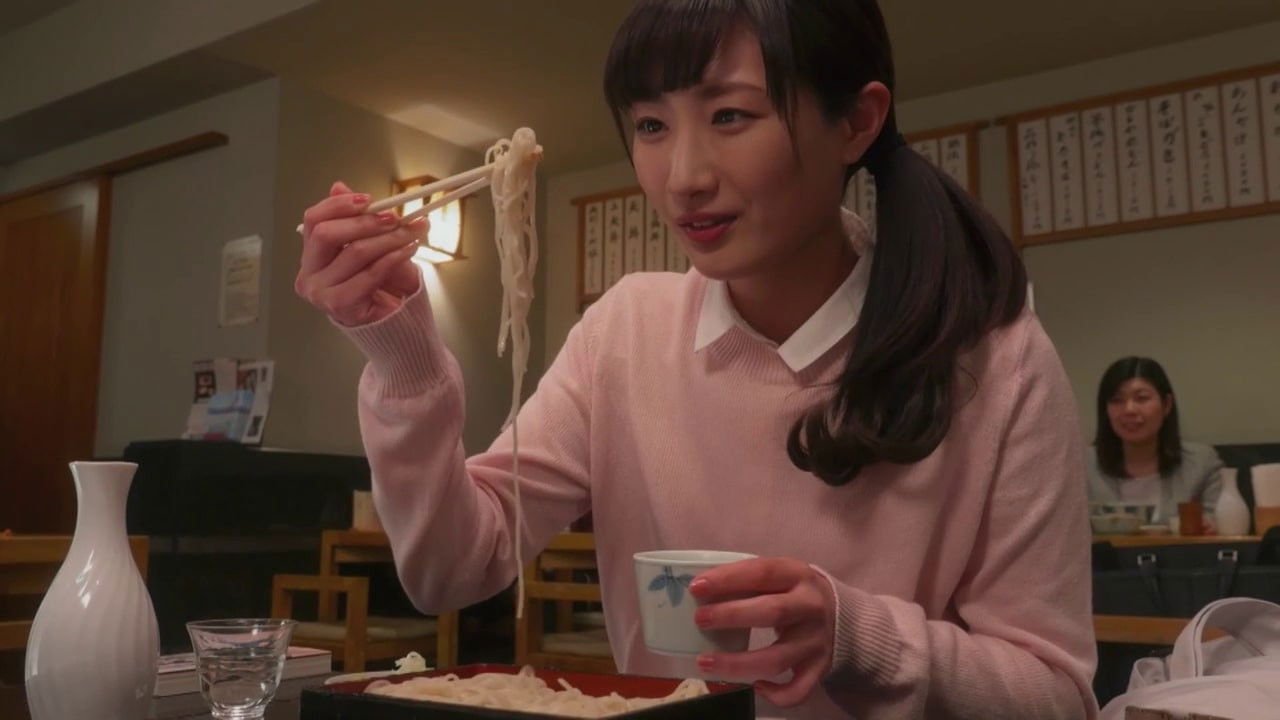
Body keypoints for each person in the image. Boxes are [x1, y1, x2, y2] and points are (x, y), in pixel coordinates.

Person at [294, 1, 1096, 717]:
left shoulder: (994, 358)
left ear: (857, 121)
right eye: (650, 126)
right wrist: (403, 356)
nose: (682, 178)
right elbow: (455, 570)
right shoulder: (627, 331)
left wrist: (856, 636)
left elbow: (1056, 693)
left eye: (731, 116)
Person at [1087, 356, 1224, 528]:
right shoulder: (1082, 466)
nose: (1129, 409)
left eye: (1142, 398)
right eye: (1116, 400)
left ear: (1166, 405)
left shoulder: (1201, 462)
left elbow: (1220, 525)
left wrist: (1209, 525)